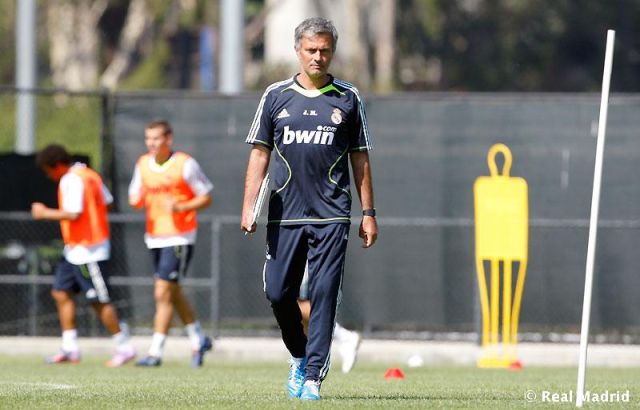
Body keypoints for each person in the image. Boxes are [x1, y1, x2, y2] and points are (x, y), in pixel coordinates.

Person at [241, 17, 378, 400]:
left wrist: (368, 213)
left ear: (332, 52)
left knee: (323, 293)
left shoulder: (348, 98)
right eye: (311, 50)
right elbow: (259, 154)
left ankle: (314, 376)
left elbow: (360, 158)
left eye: (325, 51)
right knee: (277, 292)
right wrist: (248, 207)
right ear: (298, 51)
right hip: (285, 213)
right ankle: (299, 356)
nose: (318, 57)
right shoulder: (275, 96)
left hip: (332, 213)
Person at [31, 144, 136, 367]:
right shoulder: (90, 174)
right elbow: (107, 202)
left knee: (98, 301)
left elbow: (74, 213)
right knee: (61, 292)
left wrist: (44, 213)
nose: (49, 177)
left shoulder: (71, 179)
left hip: (90, 250)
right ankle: (70, 348)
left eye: (49, 171)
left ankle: (124, 346)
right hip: (74, 249)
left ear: (57, 165)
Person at [128, 119, 214, 368]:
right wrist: (137, 199)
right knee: (172, 293)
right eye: (148, 138)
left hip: (179, 236)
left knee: (162, 293)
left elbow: (206, 197)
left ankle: (155, 353)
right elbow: (135, 196)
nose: (151, 143)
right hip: (154, 236)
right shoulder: (143, 164)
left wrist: (181, 206)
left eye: (156, 138)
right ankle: (199, 339)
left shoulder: (184, 164)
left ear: (168, 139)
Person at [298, 263, 361, 374]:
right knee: (294, 305)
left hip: (306, 255)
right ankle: (316, 354)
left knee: (294, 303)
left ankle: (343, 337)